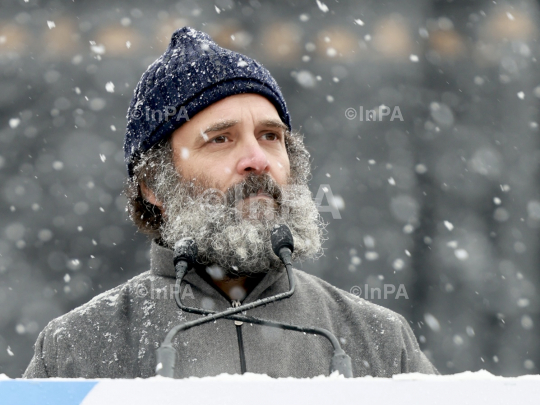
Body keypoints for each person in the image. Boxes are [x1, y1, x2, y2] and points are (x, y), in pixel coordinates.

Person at [23, 27, 437, 379]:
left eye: (270, 136)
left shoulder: (379, 341)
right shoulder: (79, 349)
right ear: (153, 185)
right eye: (221, 139)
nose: (257, 159)